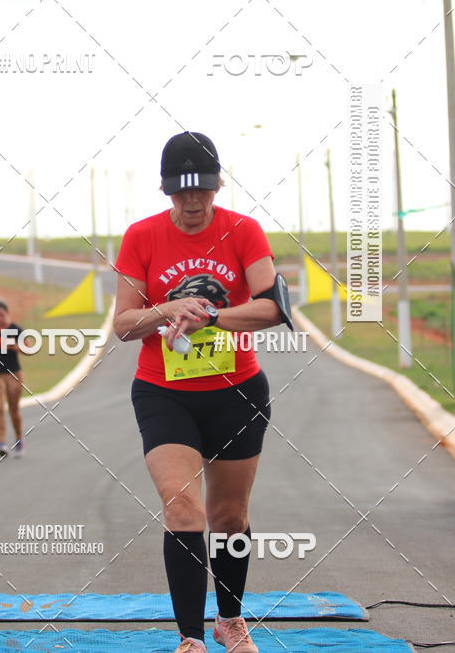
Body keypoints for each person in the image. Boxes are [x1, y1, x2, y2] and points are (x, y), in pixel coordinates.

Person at [114, 131, 290, 653]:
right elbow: (123, 325)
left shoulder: (243, 230)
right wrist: (167, 309)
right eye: (181, 191)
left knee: (229, 517)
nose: (192, 202)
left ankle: (229, 620)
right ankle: (190, 637)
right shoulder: (142, 236)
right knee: (182, 507)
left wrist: (212, 315)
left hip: (237, 392)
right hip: (163, 393)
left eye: (202, 190)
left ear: (218, 185)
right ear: (165, 189)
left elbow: (272, 308)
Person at [0, 302, 26, 458]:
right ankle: (2, 443)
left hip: (13, 373)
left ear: (7, 313)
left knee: (13, 409)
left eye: (1, 315)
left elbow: (29, 349)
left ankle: (19, 439)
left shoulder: (16, 329)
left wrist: (12, 345)